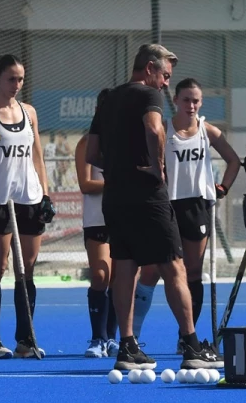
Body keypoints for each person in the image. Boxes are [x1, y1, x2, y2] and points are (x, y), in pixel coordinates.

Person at [86, 43, 221, 372]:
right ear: (148, 69)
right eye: (164, 75)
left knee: (125, 267)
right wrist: (156, 167)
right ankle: (191, 345)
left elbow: (92, 153)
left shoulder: (109, 100)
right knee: (174, 267)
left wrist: (118, 169)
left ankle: (127, 347)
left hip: (115, 196)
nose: (165, 83)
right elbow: (154, 128)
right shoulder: (148, 96)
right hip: (147, 196)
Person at [132, 78, 241, 348]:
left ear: (200, 103)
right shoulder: (164, 130)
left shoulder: (207, 131)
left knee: (193, 272)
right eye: (186, 100)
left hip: (197, 206)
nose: (191, 105)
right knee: (151, 271)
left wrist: (223, 187)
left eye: (196, 100)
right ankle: (132, 334)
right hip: (167, 205)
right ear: (176, 101)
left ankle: (186, 337)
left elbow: (234, 160)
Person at [0, 54, 55, 360]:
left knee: (26, 270)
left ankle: (25, 339)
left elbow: (38, 157)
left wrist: (45, 196)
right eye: (11, 79)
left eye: (20, 79)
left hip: (28, 200)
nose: (16, 85)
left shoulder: (29, 112)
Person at [76, 92, 118, 358]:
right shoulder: (86, 143)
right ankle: (97, 338)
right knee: (101, 275)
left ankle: (113, 337)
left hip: (123, 217)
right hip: (96, 219)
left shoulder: (126, 142)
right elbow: (86, 185)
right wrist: (117, 182)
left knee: (120, 279)